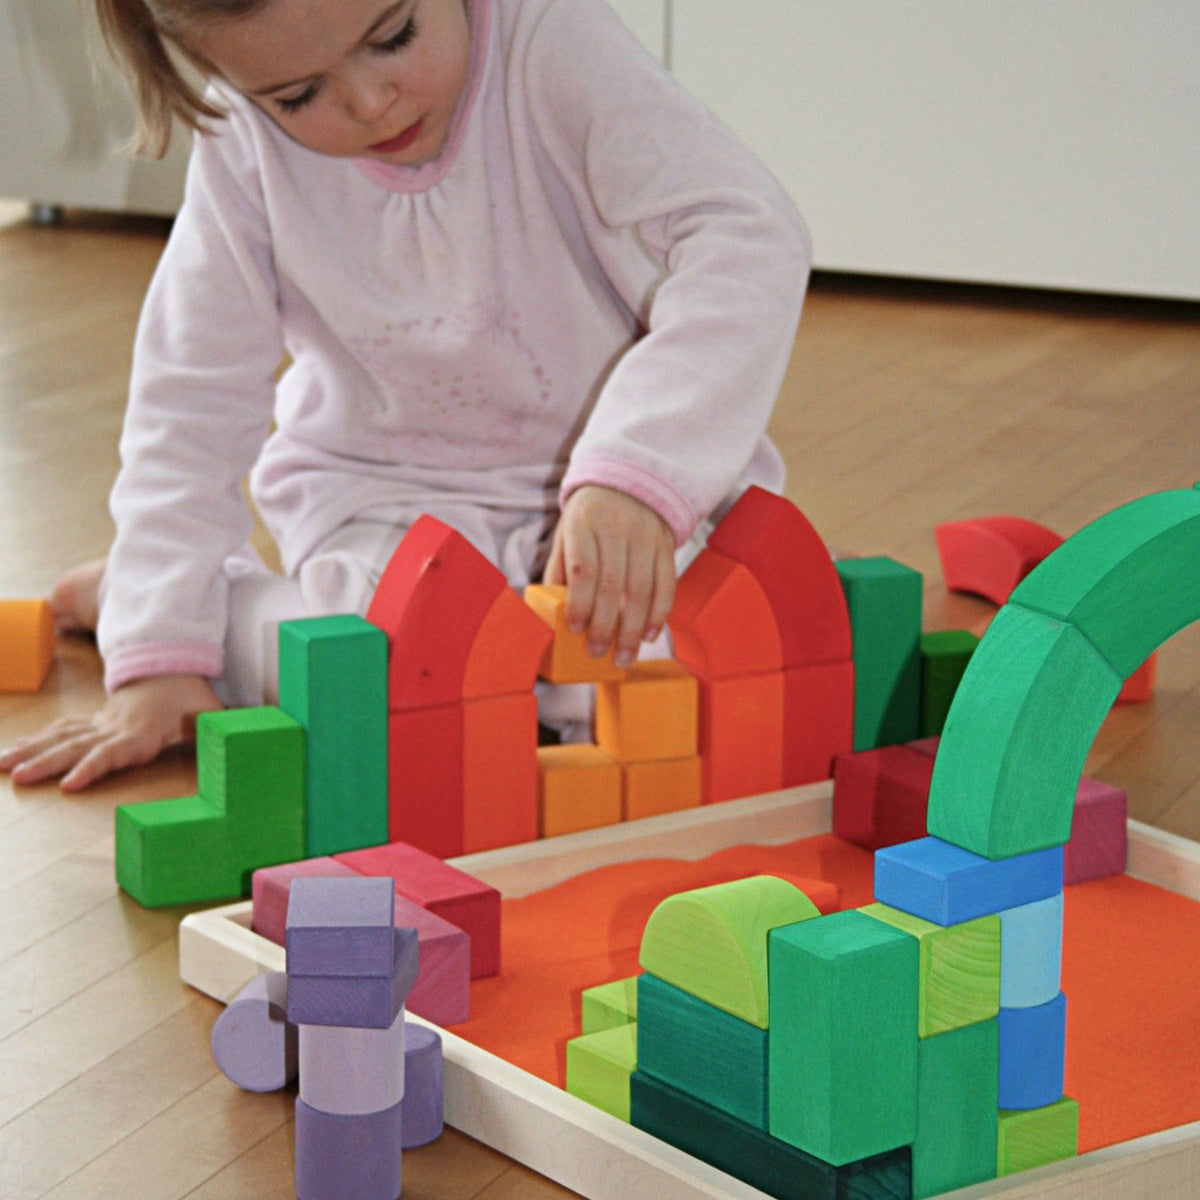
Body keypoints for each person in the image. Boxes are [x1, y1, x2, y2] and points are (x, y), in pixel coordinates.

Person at [0, 0, 810, 791]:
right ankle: (156, 600)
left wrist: (639, 468)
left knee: (703, 664)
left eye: (393, 36)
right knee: (384, 673)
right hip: (390, 506)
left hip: (615, 504)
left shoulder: (552, 42)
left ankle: (171, 600)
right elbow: (191, 396)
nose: (366, 100)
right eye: (298, 95)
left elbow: (747, 231)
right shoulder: (242, 143)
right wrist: (160, 650)